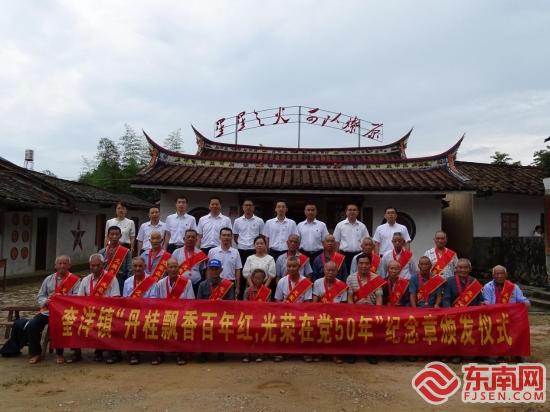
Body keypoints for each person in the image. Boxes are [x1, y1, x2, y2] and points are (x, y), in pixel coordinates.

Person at [27, 256, 80, 364]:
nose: (62, 266)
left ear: (69, 266)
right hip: (47, 311)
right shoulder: (48, 279)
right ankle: (36, 353)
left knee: (58, 324)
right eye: (59, 263)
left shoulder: (75, 280)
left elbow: (78, 298)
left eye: (65, 263)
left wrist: (63, 298)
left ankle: (59, 353)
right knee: (32, 324)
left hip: (64, 313)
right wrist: (47, 300)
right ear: (55, 266)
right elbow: (40, 296)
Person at [77, 253, 121, 364]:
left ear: (103, 265)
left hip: (108, 311)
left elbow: (116, 299)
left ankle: (112, 352)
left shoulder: (111, 278)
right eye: (93, 265)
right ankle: (95, 350)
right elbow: (79, 299)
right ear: (89, 266)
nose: (95, 268)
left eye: (98, 265)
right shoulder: (85, 280)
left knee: (107, 321)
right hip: (90, 312)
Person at [483, 265, 530, 364]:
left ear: (506, 275)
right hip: (494, 316)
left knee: (522, 326)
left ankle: (520, 353)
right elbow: (487, 302)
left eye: (502, 273)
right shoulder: (488, 287)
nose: (499, 276)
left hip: (511, 317)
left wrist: (526, 303)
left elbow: (522, 299)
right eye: (497, 274)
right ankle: (494, 353)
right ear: (493, 275)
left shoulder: (513, 287)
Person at [152, 257, 195, 365]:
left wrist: (181, 314)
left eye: (175, 267)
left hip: (181, 314)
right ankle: (159, 354)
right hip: (164, 314)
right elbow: (157, 302)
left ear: (179, 268)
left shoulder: (187, 282)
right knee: (155, 324)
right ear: (166, 269)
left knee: (183, 324)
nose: (173, 269)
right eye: (171, 267)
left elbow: (190, 302)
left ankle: (181, 354)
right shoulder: (160, 283)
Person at [274, 256, 313, 362]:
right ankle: (281, 352)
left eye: (294, 266)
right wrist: (282, 304)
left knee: (307, 324)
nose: (291, 268)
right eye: (289, 266)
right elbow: (277, 300)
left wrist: (297, 309)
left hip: (301, 313)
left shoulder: (306, 282)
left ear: (299, 267)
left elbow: (308, 302)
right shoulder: (282, 281)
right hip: (285, 313)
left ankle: (305, 352)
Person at [346, 253, 384, 364]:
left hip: (371, 311)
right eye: (361, 263)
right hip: (355, 311)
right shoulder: (350, 278)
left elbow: (379, 298)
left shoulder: (376, 278)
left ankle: (370, 353)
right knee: (351, 324)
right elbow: (349, 298)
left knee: (374, 326)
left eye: (366, 263)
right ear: (357, 264)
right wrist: (354, 309)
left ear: (370, 265)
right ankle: (352, 352)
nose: (364, 266)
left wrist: (377, 313)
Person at [196, 259, 234, 362]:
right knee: (203, 325)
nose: (214, 271)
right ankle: (204, 352)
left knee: (222, 325)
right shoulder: (202, 285)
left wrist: (222, 303)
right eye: (212, 269)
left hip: (222, 314)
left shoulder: (228, 285)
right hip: (206, 315)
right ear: (208, 270)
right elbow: (198, 303)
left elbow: (231, 302)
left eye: (216, 269)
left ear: (221, 270)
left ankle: (220, 351)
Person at [312, 260, 347, 364]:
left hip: (336, 315)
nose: (330, 272)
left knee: (337, 325)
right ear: (324, 270)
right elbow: (314, 302)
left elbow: (343, 305)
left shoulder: (342, 285)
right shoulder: (318, 282)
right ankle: (319, 353)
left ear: (337, 271)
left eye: (333, 270)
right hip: (320, 313)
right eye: (328, 270)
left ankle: (335, 353)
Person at [123, 257, 156, 365]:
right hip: (132, 313)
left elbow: (153, 300)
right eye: (135, 266)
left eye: (140, 266)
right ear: (132, 267)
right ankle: (133, 352)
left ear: (144, 267)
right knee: (128, 324)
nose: (137, 268)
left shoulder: (151, 281)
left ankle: (154, 353)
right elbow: (125, 301)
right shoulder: (127, 282)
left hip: (147, 312)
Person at [242, 268, 271, 363]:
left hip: (261, 317)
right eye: (256, 278)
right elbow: (244, 305)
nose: (258, 280)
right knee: (247, 334)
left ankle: (260, 354)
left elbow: (268, 306)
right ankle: (247, 354)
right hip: (249, 317)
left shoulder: (267, 291)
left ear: (264, 279)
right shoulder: (247, 290)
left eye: (260, 278)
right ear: (252, 278)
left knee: (261, 334)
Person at [333, 203, 369, 273]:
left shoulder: (362, 226)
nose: (352, 212)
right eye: (350, 210)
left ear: (357, 212)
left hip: (359, 255)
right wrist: (336, 256)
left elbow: (366, 241)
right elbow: (336, 242)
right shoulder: (340, 225)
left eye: (354, 210)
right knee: (344, 274)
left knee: (357, 274)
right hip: (344, 255)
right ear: (346, 212)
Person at [208, 227, 242, 299]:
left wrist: (238, 287)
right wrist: (208, 283)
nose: (226, 237)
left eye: (228, 235)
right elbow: (208, 269)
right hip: (215, 283)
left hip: (230, 283)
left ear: (232, 237)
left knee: (230, 305)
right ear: (220, 237)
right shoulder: (212, 251)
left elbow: (238, 270)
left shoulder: (235, 252)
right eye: (224, 235)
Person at [171, 229, 208, 296]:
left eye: (193, 237)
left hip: (196, 284)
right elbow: (171, 268)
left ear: (196, 240)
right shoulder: (176, 252)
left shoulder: (200, 253)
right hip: (180, 283)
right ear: (184, 239)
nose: (190, 239)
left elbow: (202, 271)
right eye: (188, 237)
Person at [99, 225, 132, 293]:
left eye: (117, 234)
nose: (114, 236)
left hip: (120, 280)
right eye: (112, 234)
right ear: (108, 236)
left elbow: (129, 269)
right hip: (104, 280)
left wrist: (128, 283)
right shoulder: (102, 252)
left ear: (120, 236)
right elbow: (99, 268)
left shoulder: (126, 251)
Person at [233, 199, 265, 268]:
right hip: (241, 249)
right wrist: (241, 243)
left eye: (250, 205)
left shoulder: (260, 221)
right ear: (243, 207)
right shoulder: (237, 221)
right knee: (241, 268)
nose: (248, 207)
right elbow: (235, 236)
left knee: (254, 269)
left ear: (253, 207)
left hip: (254, 249)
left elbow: (262, 236)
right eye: (246, 205)